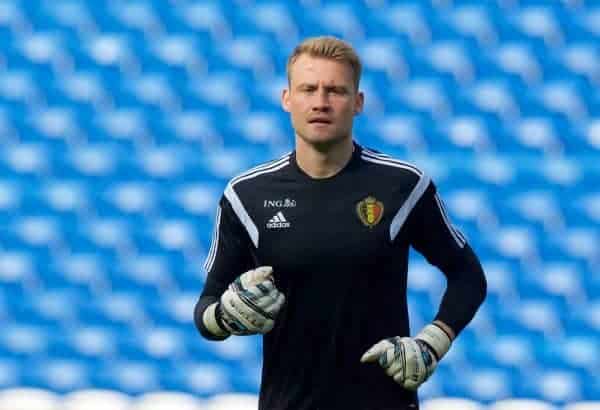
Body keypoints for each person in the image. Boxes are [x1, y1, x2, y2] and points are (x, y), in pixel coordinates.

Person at [194, 36, 487, 410]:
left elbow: (467, 275)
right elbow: (206, 305)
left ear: (358, 103)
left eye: (336, 91)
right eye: (308, 89)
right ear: (287, 99)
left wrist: (433, 342)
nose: (320, 102)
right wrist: (223, 317)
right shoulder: (246, 195)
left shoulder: (403, 186)